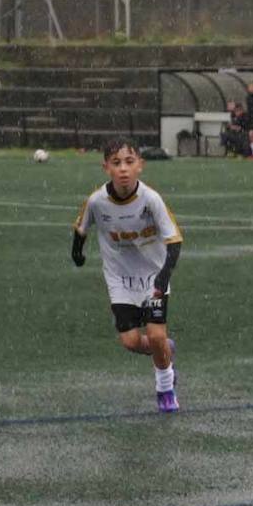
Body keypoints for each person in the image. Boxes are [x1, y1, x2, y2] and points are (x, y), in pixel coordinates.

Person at [71, 137, 183, 413]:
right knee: (131, 342)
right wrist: (78, 253)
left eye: (129, 162)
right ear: (106, 167)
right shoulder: (97, 201)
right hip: (120, 280)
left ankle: (165, 385)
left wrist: (163, 276)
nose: (123, 169)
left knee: (156, 335)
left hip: (154, 277)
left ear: (140, 166)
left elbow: (174, 240)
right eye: (116, 163)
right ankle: (163, 351)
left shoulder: (151, 199)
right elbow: (81, 228)